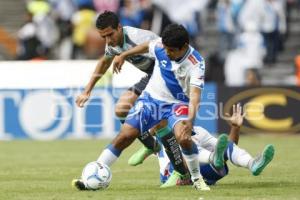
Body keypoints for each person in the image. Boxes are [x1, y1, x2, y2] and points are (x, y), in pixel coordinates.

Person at [73, 23, 229, 191]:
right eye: (165, 48)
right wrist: (124, 55)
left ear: (184, 46)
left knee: (183, 138)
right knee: (125, 135)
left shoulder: (196, 62)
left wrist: (190, 120)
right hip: (151, 99)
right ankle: (94, 174)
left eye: (171, 50)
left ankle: (197, 178)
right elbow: (148, 46)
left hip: (178, 104)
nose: (166, 53)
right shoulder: (161, 46)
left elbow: (195, 95)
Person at [130, 104, 275, 185]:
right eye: (180, 119)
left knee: (221, 161)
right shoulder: (164, 134)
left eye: (186, 119)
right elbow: (149, 132)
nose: (183, 122)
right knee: (190, 147)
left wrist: (235, 127)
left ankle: (252, 163)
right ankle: (212, 158)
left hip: (204, 173)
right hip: (173, 174)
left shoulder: (200, 131)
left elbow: (229, 148)